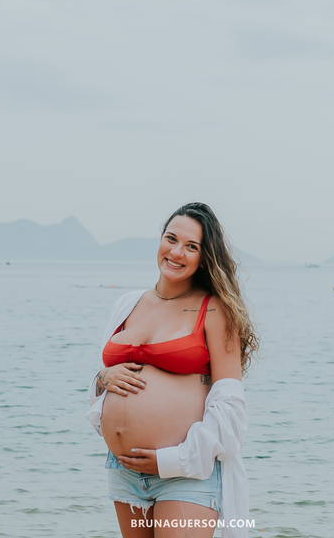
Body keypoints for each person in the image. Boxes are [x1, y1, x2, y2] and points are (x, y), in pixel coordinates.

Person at [87, 203, 258, 538]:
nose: (177, 252)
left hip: (185, 473)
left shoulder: (214, 310)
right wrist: (102, 379)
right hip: (124, 471)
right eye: (171, 239)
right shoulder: (128, 304)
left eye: (191, 246)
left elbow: (229, 409)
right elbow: (102, 380)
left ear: (204, 257)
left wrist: (173, 461)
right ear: (160, 240)